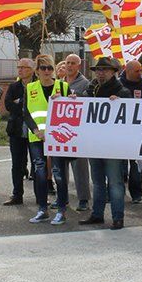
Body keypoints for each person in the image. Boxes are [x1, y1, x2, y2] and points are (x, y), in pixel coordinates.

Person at [25, 54, 70, 225]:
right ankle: (42, 209)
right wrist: (36, 131)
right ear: (36, 71)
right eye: (43, 68)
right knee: (40, 173)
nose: (47, 71)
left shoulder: (63, 86)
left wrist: (73, 98)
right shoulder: (30, 88)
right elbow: (26, 113)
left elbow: (72, 108)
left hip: (59, 137)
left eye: (50, 68)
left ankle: (61, 210)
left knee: (58, 173)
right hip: (37, 137)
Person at [86, 57, 130, 229]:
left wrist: (118, 102)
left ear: (114, 72)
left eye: (104, 69)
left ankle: (118, 217)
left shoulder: (122, 91)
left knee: (115, 182)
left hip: (113, 146)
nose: (100, 72)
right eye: (98, 69)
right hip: (94, 143)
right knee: (97, 182)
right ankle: (97, 214)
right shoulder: (90, 90)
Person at [0, 58, 34, 206]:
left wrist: (20, 102)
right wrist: (22, 104)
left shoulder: (37, 85)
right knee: (17, 164)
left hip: (35, 130)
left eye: (24, 67)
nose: (20, 70)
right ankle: (17, 195)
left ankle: (41, 195)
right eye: (19, 67)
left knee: (38, 164)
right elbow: (8, 105)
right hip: (17, 130)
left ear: (32, 69)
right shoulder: (14, 86)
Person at [63, 54, 91, 211]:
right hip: (61, 130)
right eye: (67, 63)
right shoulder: (59, 83)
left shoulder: (85, 83)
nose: (69, 66)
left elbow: (88, 103)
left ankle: (83, 199)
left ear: (79, 66)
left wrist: (78, 98)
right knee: (61, 168)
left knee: (80, 167)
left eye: (73, 63)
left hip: (78, 132)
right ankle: (63, 198)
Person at [119, 58, 142, 203]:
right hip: (122, 131)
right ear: (128, 71)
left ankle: (136, 194)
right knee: (121, 166)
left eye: (141, 70)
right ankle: (118, 192)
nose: (140, 73)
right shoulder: (118, 84)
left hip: (139, 131)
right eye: (137, 71)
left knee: (137, 166)